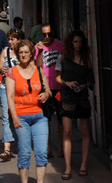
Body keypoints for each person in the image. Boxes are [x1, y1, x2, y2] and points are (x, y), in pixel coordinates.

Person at [6, 39, 51, 183]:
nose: (23, 55)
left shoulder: (39, 71)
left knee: (42, 153)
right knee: (25, 153)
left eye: (26, 52)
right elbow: (10, 97)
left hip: (39, 117)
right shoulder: (12, 72)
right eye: (20, 52)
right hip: (21, 117)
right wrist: (14, 117)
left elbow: (49, 90)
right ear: (17, 55)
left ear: (32, 54)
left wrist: (46, 94)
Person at [55, 30, 94, 180]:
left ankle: (83, 165)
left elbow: (92, 81)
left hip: (82, 98)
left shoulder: (86, 59)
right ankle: (68, 167)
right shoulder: (63, 58)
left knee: (85, 131)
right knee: (67, 132)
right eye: (75, 42)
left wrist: (84, 85)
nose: (78, 45)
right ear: (70, 43)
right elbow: (58, 78)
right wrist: (67, 83)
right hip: (67, 97)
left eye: (80, 42)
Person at [35, 23, 63, 157]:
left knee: (61, 119)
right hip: (45, 88)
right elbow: (38, 66)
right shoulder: (37, 47)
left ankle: (62, 147)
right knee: (46, 119)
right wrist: (40, 51)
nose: (47, 37)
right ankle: (48, 147)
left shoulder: (60, 45)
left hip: (59, 87)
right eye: (44, 34)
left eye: (49, 34)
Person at [0, 29, 23, 161]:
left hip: (20, 89)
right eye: (9, 39)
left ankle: (22, 144)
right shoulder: (5, 51)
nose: (10, 41)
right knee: (6, 116)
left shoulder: (23, 52)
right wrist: (2, 69)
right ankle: (7, 149)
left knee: (19, 116)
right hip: (4, 87)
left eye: (13, 39)